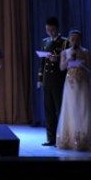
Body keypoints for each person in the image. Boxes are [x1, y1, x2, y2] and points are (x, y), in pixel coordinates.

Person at [56, 29, 91, 151]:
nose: (74, 41)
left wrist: (82, 64)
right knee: (71, 109)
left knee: (84, 109)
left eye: (77, 39)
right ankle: (71, 139)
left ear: (80, 40)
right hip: (71, 84)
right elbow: (61, 68)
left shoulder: (85, 52)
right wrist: (69, 60)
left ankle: (85, 139)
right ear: (69, 40)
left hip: (83, 83)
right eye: (72, 39)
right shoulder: (65, 52)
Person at [37, 16, 68, 146]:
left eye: (51, 29)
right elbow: (42, 62)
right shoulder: (45, 42)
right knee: (48, 110)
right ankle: (51, 138)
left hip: (59, 79)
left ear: (56, 29)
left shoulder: (65, 42)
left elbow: (68, 60)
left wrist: (58, 58)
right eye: (47, 29)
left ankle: (61, 138)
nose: (49, 32)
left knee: (59, 109)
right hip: (47, 79)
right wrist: (40, 79)